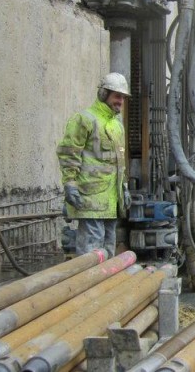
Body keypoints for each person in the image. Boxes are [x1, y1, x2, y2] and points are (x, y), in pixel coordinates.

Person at [57, 72, 132, 257]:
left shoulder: (117, 126)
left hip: (111, 200)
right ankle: (89, 282)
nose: (120, 101)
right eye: (117, 96)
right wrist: (70, 184)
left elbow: (119, 162)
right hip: (90, 198)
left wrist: (124, 187)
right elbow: (68, 153)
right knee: (91, 254)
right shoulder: (84, 119)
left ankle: (104, 285)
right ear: (103, 94)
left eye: (123, 97)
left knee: (108, 251)